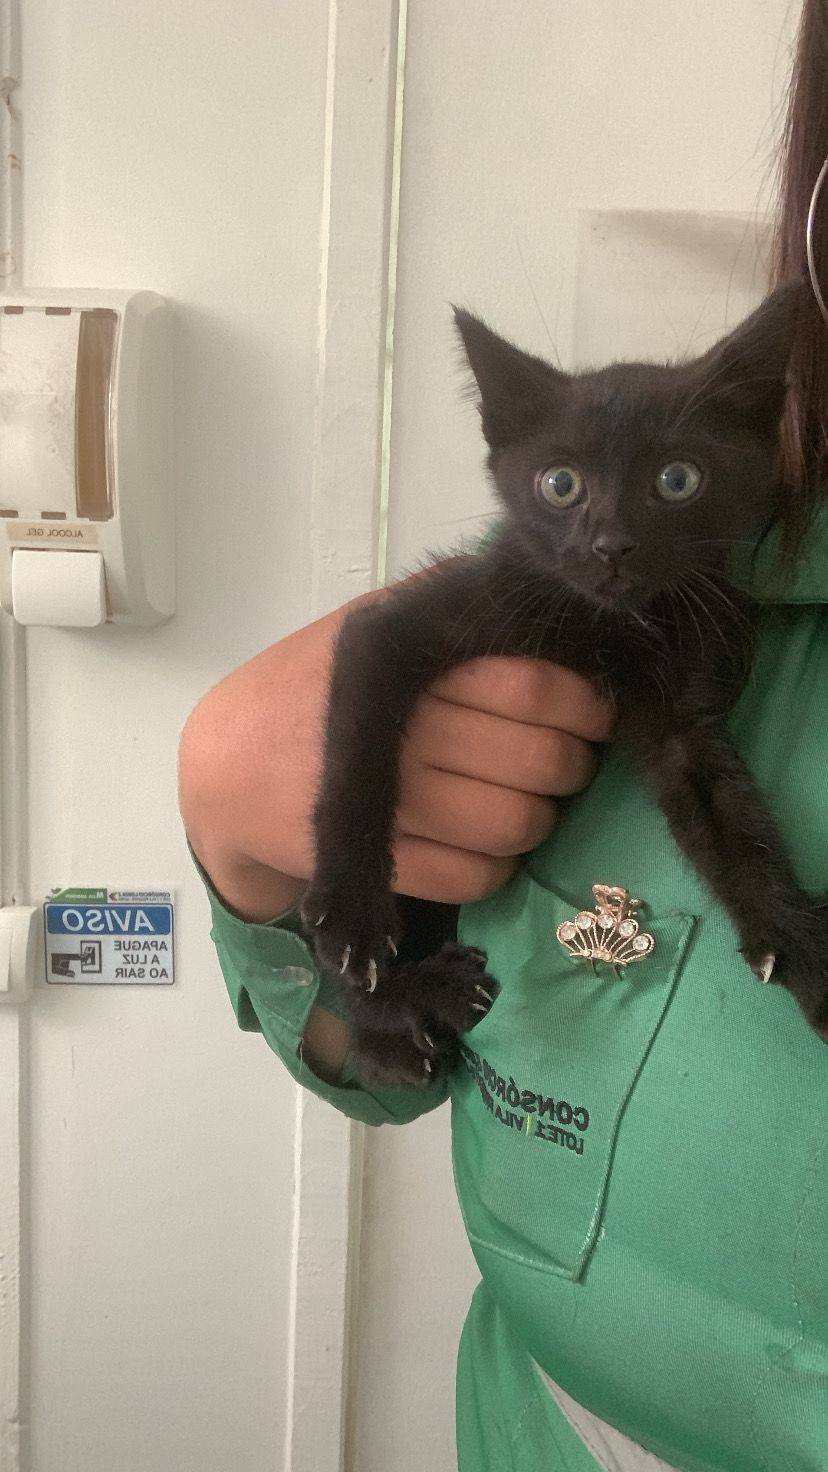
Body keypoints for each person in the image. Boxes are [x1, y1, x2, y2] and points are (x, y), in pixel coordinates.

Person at [178, 3, 828, 1465]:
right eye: (564, 493)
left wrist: (781, 930)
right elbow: (382, 652)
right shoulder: (519, 593)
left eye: (670, 485)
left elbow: (692, 763)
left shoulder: (715, 612)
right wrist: (277, 839)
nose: (609, 535)